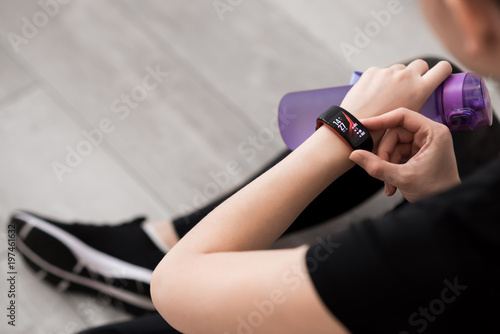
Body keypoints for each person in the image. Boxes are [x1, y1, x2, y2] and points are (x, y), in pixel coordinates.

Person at [10, 0, 500, 333]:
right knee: (444, 97)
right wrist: (440, 195)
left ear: (469, 17)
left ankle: (183, 259)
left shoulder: (453, 240)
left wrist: (345, 128)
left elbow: (175, 286)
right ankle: (169, 247)